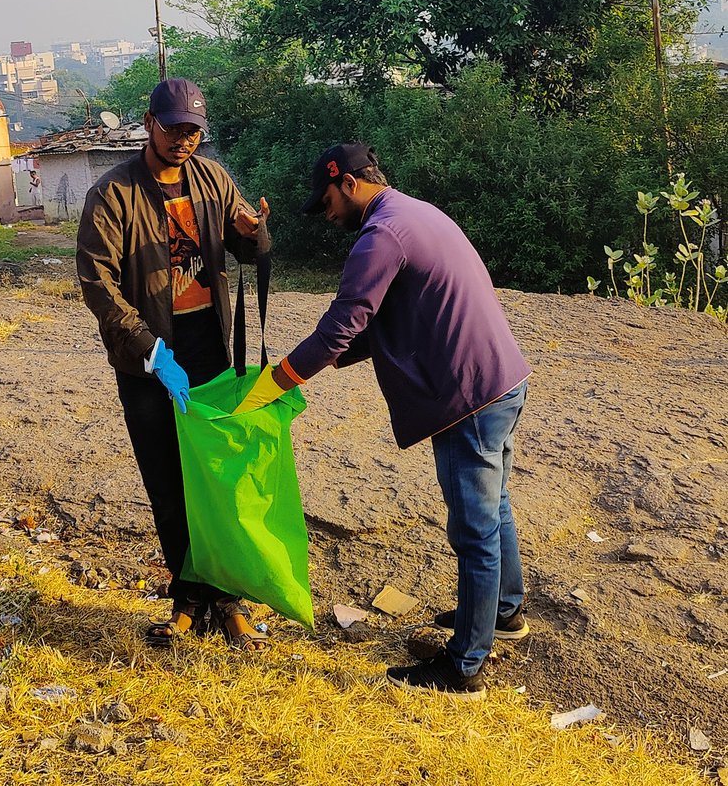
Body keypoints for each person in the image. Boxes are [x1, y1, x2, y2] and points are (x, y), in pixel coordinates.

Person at [270, 144, 530, 699]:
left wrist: (281, 380)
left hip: (470, 396)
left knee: (474, 529)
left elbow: (345, 321)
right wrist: (333, 356)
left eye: (328, 201)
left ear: (347, 183)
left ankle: (464, 667)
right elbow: (380, 320)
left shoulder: (381, 235)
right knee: (495, 504)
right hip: (502, 379)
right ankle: (504, 613)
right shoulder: (413, 212)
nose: (329, 214)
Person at [76, 77, 271, 650]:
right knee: (167, 480)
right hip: (147, 357)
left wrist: (254, 234)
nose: (185, 140)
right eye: (174, 128)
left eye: (194, 131)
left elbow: (243, 248)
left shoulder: (212, 180)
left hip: (208, 345)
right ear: (149, 123)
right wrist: (146, 347)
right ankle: (188, 601)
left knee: (216, 479)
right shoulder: (112, 195)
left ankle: (228, 603)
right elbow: (96, 279)